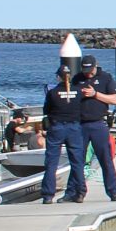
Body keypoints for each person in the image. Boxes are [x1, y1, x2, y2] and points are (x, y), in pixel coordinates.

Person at [73, 55, 116, 200]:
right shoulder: (77, 79)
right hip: (80, 124)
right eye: (85, 69)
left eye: (90, 69)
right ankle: (77, 192)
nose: (87, 73)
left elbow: (115, 100)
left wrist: (95, 94)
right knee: (77, 160)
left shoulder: (106, 78)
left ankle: (114, 192)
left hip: (98, 123)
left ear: (95, 66)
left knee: (105, 159)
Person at [40, 67, 85, 203]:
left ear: (58, 77)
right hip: (74, 127)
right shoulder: (78, 92)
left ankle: (48, 195)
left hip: (57, 127)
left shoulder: (52, 93)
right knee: (77, 162)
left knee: (51, 162)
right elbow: (81, 107)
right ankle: (80, 191)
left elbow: (46, 110)